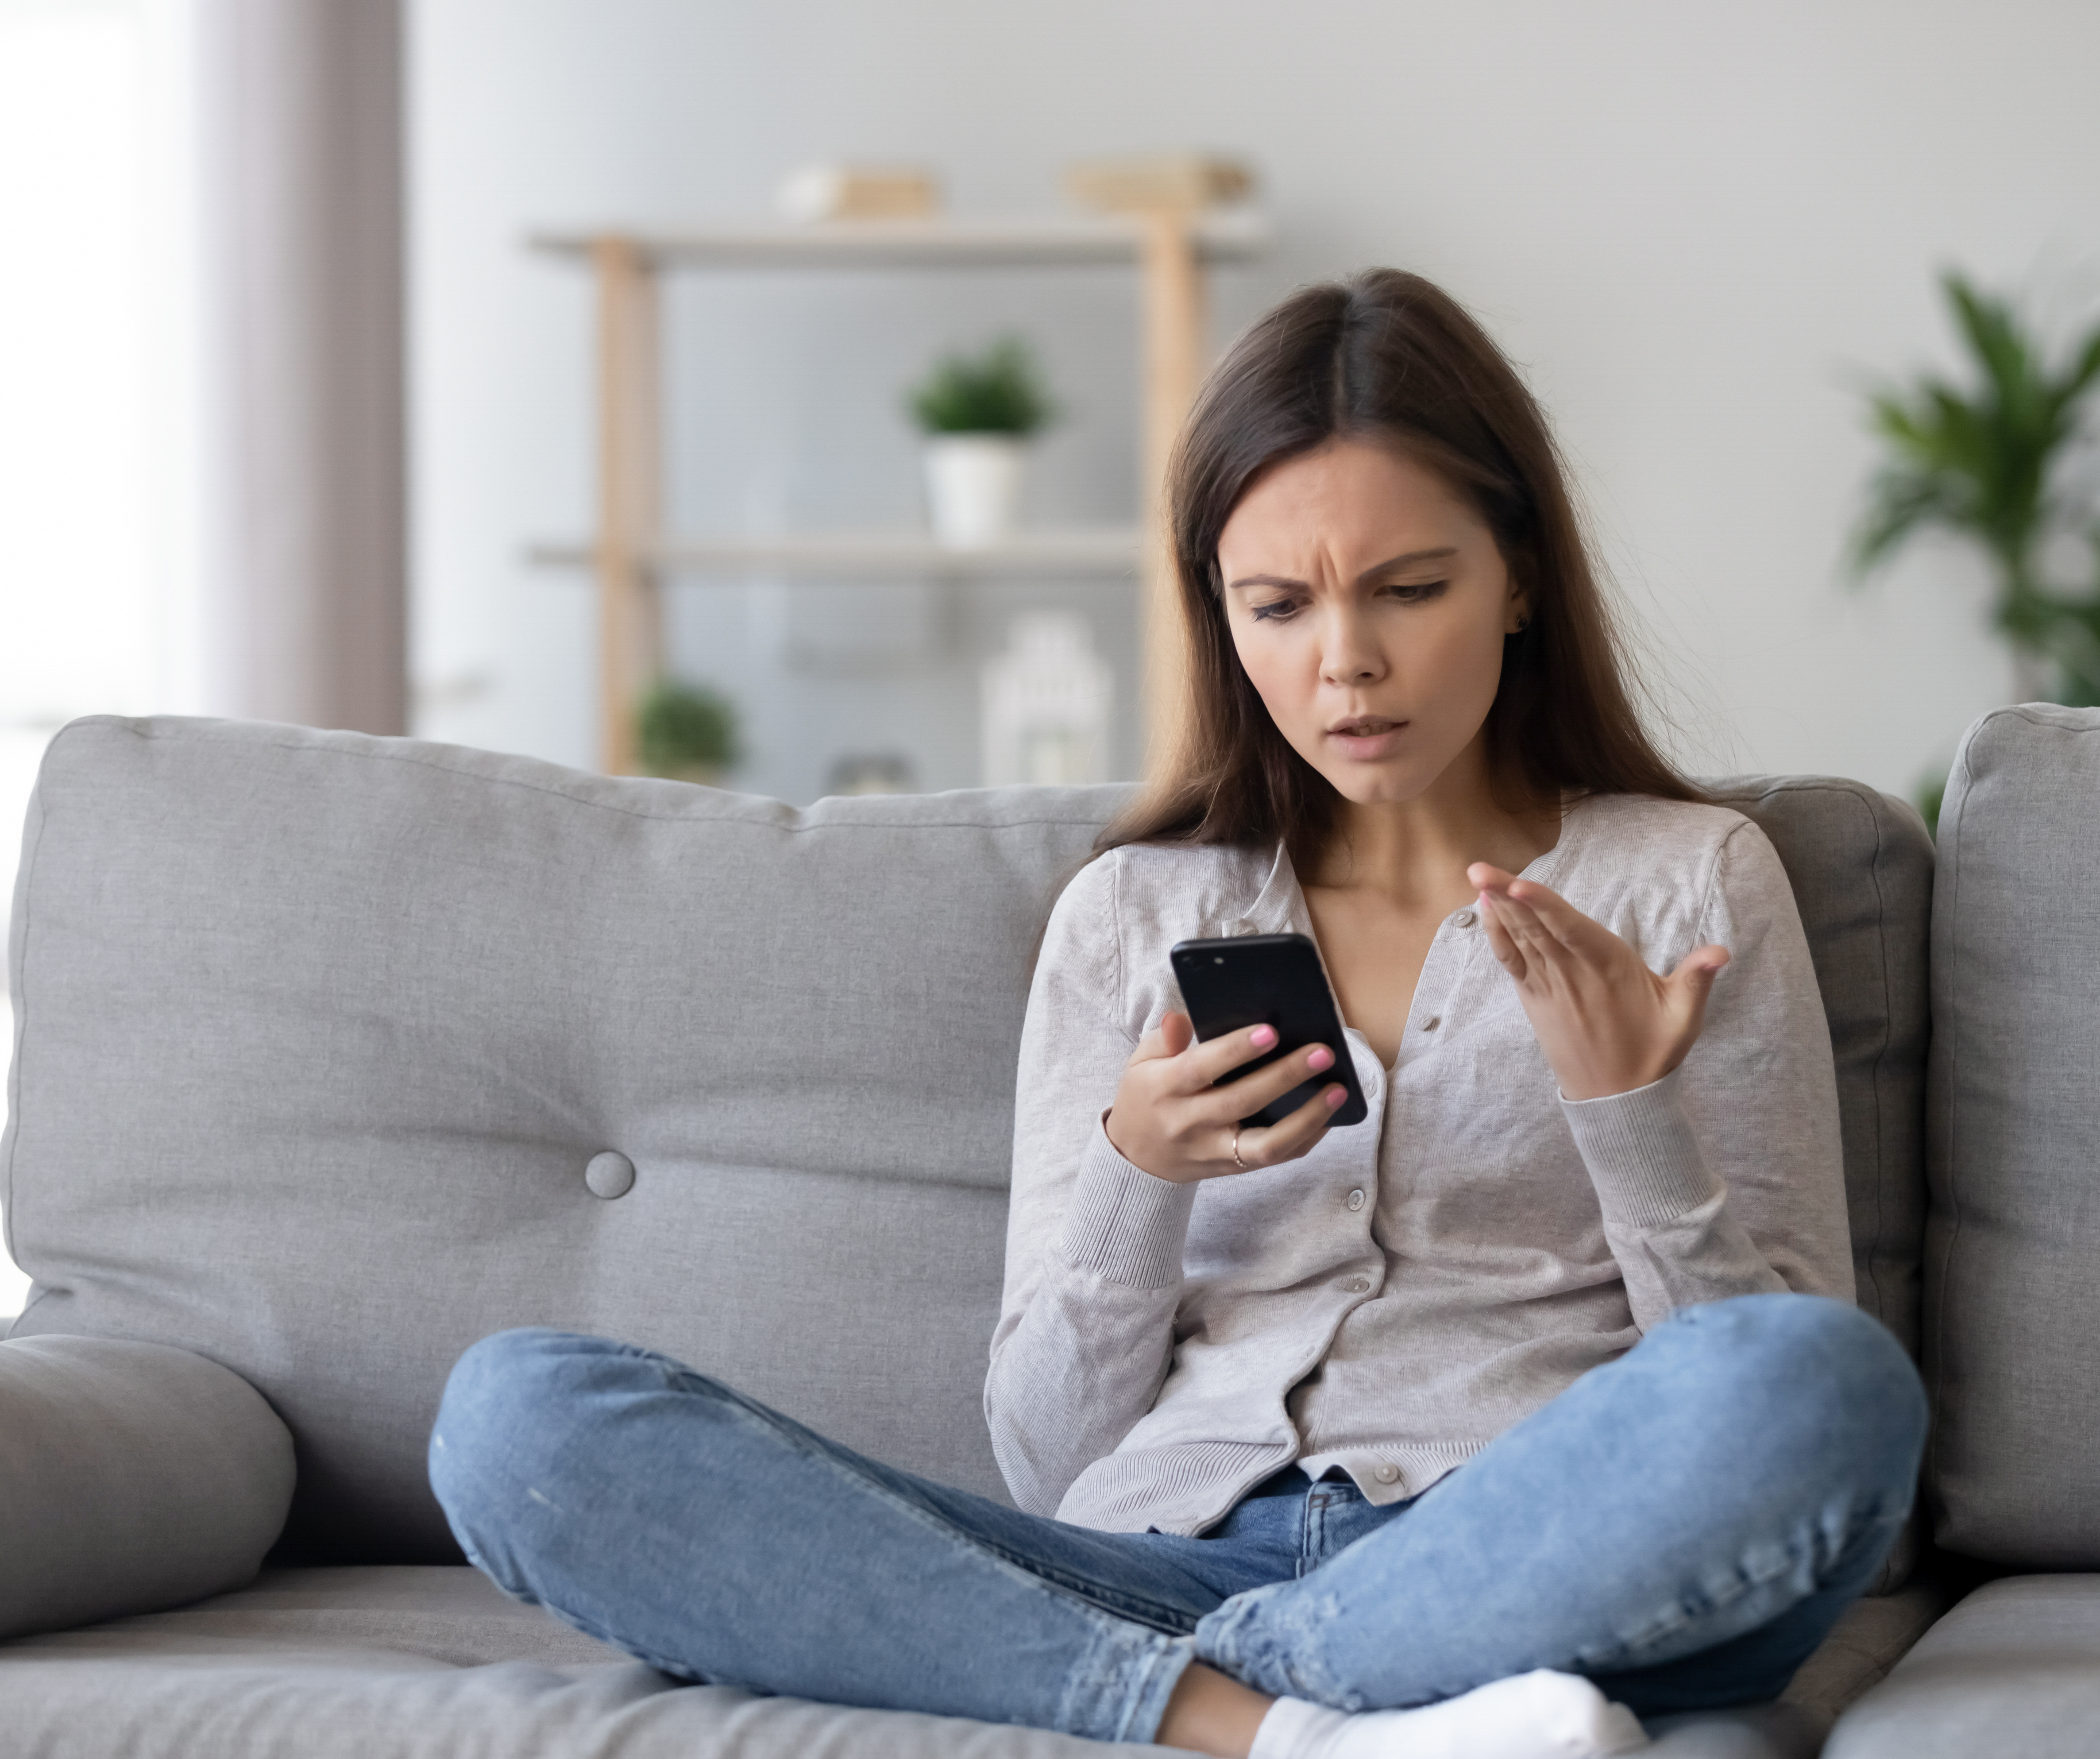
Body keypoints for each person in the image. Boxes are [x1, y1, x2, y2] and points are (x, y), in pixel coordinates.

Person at [428, 268, 1926, 1759]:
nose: (1347, 662)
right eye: (1278, 605)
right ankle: (1298, 1730)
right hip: (1152, 1560)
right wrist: (1133, 1183)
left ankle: (1210, 1689)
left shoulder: (1686, 884)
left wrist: (1628, 1118)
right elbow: (1048, 1456)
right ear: (1220, 612)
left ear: (1520, 575)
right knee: (519, 1420)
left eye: (1411, 589)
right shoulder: (1134, 918)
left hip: (1519, 1560)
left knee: (1825, 1384)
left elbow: (1760, 1377)